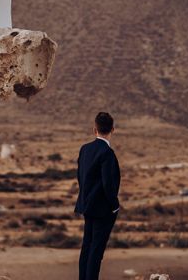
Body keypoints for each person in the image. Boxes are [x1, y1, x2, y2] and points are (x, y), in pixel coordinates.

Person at [75, 112, 121, 280]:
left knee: (87, 247)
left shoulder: (85, 149)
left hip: (87, 205)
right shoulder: (107, 153)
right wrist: (115, 205)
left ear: (94, 129)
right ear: (112, 130)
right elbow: (109, 184)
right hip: (103, 209)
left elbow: (80, 176)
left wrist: (85, 197)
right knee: (96, 250)